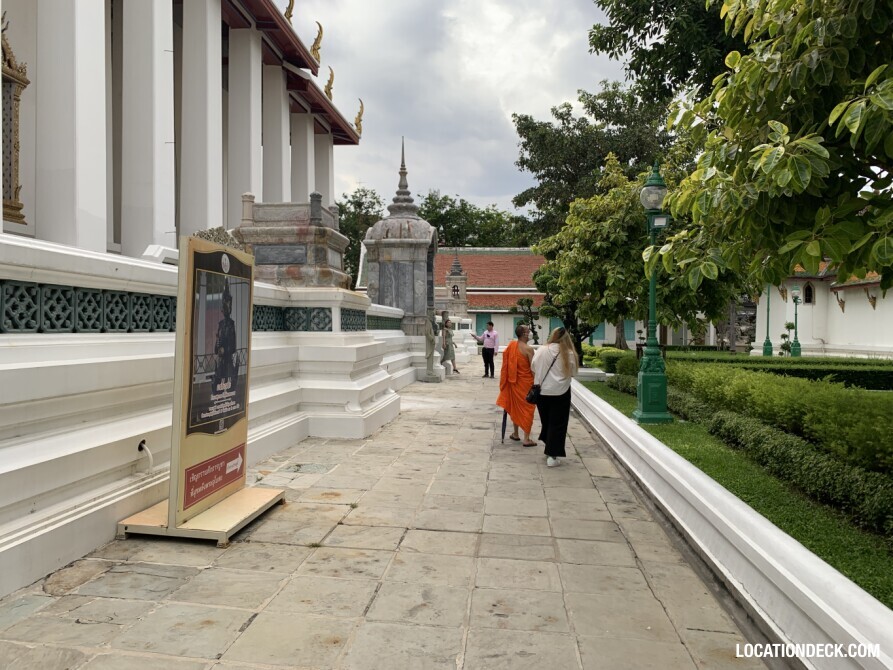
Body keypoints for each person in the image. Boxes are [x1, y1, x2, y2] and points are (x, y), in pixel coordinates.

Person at [531, 326, 578, 467]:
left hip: (542, 392)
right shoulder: (569, 353)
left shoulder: (542, 349)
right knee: (557, 424)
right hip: (560, 392)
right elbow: (574, 372)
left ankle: (549, 446)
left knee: (547, 421)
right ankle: (552, 455)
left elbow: (533, 367)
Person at [496, 323, 536, 446]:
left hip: (514, 383)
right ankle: (526, 438)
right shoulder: (528, 349)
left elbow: (506, 366)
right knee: (527, 409)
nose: (529, 334)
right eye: (528, 331)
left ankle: (516, 433)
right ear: (523, 334)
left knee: (516, 408)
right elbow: (533, 369)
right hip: (526, 384)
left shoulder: (512, 346)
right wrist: (538, 384)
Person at [213, 283, 237, 391]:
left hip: (227, 360)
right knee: (218, 383)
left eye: (227, 306)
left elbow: (233, 346)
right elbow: (217, 341)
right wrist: (217, 347)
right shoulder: (220, 324)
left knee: (229, 383)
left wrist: (225, 350)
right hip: (220, 360)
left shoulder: (231, 324)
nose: (225, 309)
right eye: (224, 306)